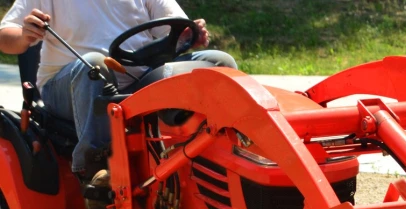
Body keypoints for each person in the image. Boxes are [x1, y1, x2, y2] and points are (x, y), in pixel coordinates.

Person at [0, 0, 237, 190]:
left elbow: (177, 28)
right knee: (93, 65)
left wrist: (191, 34)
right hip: (67, 87)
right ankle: (95, 170)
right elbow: (4, 36)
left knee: (217, 62)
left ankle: (226, 147)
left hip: (138, 83)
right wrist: (23, 36)